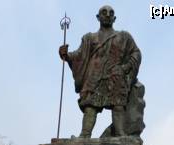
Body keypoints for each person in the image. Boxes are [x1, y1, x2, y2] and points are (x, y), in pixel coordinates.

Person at [59, 5, 141, 138]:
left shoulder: (124, 37)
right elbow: (79, 55)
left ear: (114, 18)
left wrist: (125, 68)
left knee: (118, 105)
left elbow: (136, 53)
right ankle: (85, 134)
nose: (108, 15)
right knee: (90, 107)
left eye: (111, 13)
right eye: (104, 12)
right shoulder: (89, 38)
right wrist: (67, 56)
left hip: (115, 76)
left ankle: (120, 134)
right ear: (98, 17)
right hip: (94, 77)